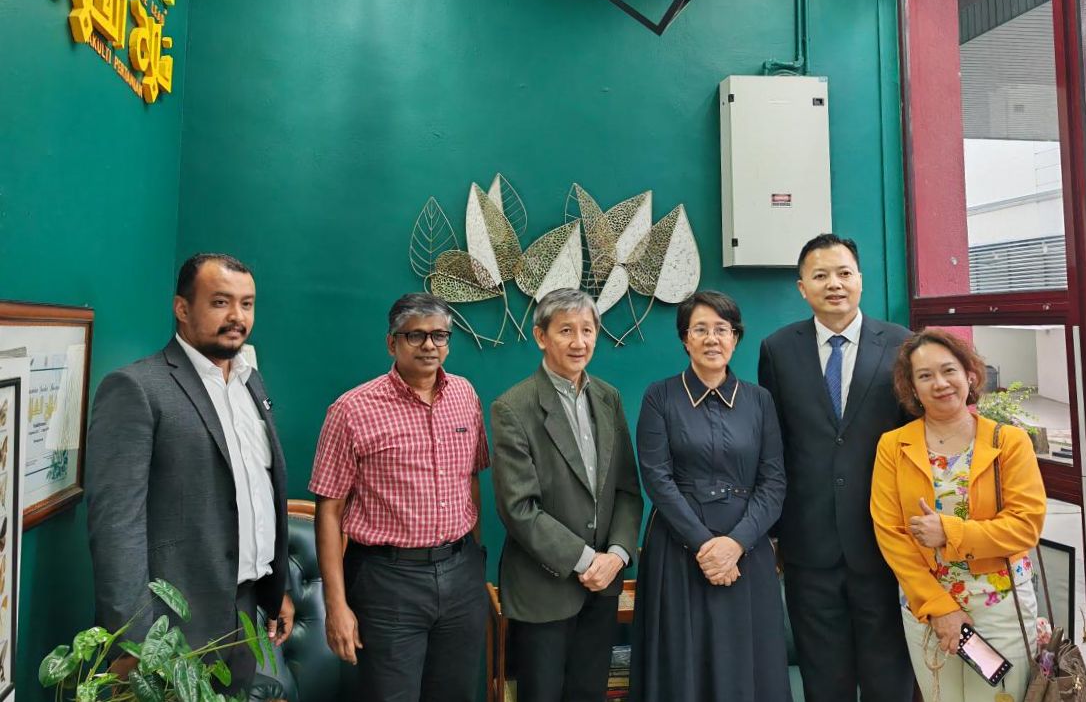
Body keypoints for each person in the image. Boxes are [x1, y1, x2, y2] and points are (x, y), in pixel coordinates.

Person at [86, 253, 294, 693]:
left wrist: (276, 590)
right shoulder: (137, 388)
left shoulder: (251, 383)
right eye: (220, 302)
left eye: (247, 303)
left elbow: (258, 492)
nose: (237, 316)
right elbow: (116, 526)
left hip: (243, 612)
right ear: (182, 308)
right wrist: (134, 640)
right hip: (171, 627)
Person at [758, 233, 915, 701]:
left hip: (885, 543)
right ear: (801, 287)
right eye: (821, 275)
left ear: (860, 279)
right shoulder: (777, 349)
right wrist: (776, 533)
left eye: (844, 273)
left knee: (890, 679)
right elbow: (775, 446)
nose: (834, 284)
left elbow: (914, 442)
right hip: (809, 547)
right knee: (824, 681)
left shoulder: (902, 344)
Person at [310, 292, 489, 702]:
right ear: (392, 343)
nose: (429, 345)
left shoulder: (465, 396)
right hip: (387, 581)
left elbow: (472, 478)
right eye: (415, 335)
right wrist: (335, 606)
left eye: (439, 335)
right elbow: (329, 510)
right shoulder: (352, 409)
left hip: (461, 573)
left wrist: (474, 557)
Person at [871, 328, 1046, 702]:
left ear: (970, 374)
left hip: (1000, 604)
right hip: (926, 607)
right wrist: (939, 609)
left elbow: (1025, 526)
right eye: (925, 376)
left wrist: (948, 532)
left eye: (948, 370)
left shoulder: (1008, 441)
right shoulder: (893, 446)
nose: (940, 383)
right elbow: (891, 534)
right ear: (912, 388)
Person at [631, 290, 789, 701]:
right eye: (699, 329)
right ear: (685, 339)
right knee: (682, 666)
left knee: (749, 665)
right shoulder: (659, 396)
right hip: (678, 549)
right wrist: (706, 547)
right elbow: (657, 478)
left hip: (747, 548)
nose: (711, 338)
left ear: (736, 337)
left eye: (722, 329)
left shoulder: (760, 400)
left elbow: (774, 482)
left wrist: (735, 545)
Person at [491, 288, 643, 702]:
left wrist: (616, 555)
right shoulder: (513, 407)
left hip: (603, 586)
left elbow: (628, 490)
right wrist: (588, 560)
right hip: (545, 588)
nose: (579, 342)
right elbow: (519, 508)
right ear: (541, 336)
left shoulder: (608, 398)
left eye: (587, 330)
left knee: (589, 693)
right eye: (566, 331)